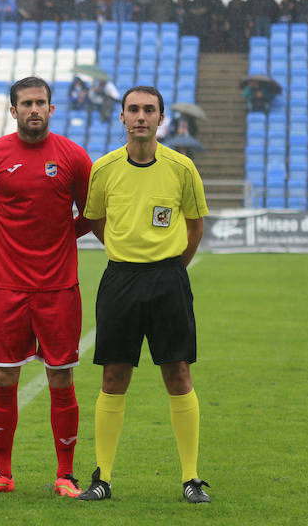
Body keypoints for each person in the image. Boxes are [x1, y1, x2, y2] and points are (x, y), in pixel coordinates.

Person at [77, 86, 211, 504]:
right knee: (114, 377)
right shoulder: (104, 168)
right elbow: (96, 221)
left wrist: (171, 268)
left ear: (161, 118)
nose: (140, 116)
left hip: (169, 280)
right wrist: (127, 249)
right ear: (121, 117)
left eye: (148, 110)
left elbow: (195, 227)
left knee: (178, 374)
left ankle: (190, 477)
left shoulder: (182, 167)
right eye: (132, 109)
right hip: (120, 280)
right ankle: (103, 478)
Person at [0, 77, 93, 498]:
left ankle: (66, 475)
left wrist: (59, 240)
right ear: (13, 110)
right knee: (4, 376)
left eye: (41, 102)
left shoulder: (74, 157)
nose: (34, 109)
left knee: (60, 377)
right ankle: (1, 474)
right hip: (6, 286)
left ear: (52, 109)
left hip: (59, 287)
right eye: (26, 103)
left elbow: (90, 214)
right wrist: (7, 245)